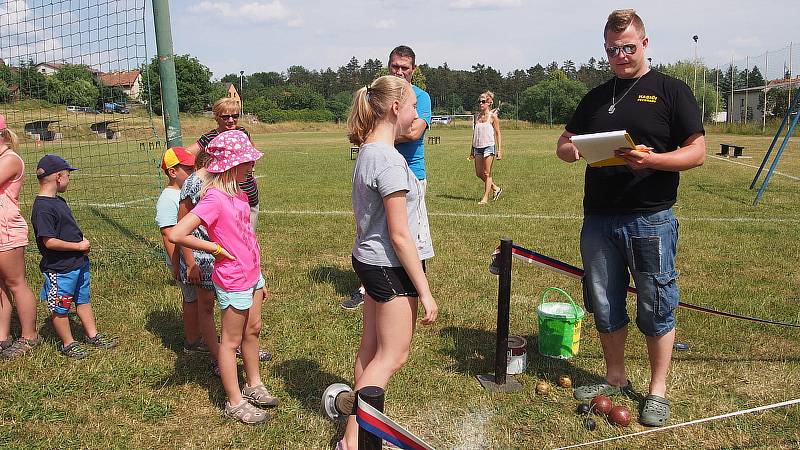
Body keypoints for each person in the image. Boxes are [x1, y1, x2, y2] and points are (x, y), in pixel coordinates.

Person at [556, 9, 705, 427]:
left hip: (650, 217)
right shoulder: (597, 96)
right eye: (611, 49)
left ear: (645, 43)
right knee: (603, 301)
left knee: (656, 303)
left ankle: (656, 391)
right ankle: (615, 377)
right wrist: (573, 150)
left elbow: (697, 151)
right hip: (599, 218)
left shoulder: (672, 91)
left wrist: (655, 160)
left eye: (627, 46)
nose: (620, 55)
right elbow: (564, 146)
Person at [335, 75, 438, 450]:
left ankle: (366, 430)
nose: (415, 113)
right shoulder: (390, 161)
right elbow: (399, 235)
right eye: (412, 105)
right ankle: (354, 439)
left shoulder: (368, 150)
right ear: (396, 108)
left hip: (369, 260)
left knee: (371, 349)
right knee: (392, 355)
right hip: (390, 267)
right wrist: (425, 293)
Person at [169, 130, 278, 425]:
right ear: (231, 165)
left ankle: (253, 384)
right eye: (247, 161)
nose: (252, 165)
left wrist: (260, 276)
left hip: (251, 276)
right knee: (230, 343)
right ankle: (234, 401)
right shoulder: (214, 198)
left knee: (253, 330)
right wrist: (215, 248)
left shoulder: (240, 193)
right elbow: (179, 233)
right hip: (232, 279)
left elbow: (247, 237)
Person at [342, 45, 433, 310]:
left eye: (405, 68)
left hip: (411, 172)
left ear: (413, 69)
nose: (400, 72)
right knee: (391, 232)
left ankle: (397, 280)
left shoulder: (420, 97)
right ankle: (399, 282)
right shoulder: (385, 158)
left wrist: (382, 130)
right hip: (389, 172)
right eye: (396, 67)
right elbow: (399, 237)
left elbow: (415, 132)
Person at [31, 154, 117, 359]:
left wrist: (81, 242)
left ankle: (92, 334)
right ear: (59, 176)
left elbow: (69, 229)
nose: (69, 179)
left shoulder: (58, 201)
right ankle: (68, 343)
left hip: (78, 264)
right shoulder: (42, 208)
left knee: (83, 300)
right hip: (59, 269)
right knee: (61, 306)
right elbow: (49, 241)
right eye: (68, 175)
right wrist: (78, 246)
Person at [155, 147, 208, 354]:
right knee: (191, 299)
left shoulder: (183, 192)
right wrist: (177, 265)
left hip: (191, 256)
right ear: (172, 172)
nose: (193, 170)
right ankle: (193, 341)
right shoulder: (168, 198)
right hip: (183, 260)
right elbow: (169, 234)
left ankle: (201, 335)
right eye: (187, 168)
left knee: (198, 299)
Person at [186, 97, 261, 233]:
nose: (231, 120)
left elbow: (252, 152)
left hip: (249, 195)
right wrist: (198, 174)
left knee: (248, 237)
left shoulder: (243, 132)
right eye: (226, 117)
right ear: (216, 117)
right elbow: (187, 154)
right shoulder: (209, 137)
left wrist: (251, 167)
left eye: (235, 116)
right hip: (225, 198)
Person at [0, 114, 41, 359]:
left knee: (16, 283)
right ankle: (2, 337)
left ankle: (29, 336)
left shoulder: (10, 159)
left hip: (6, 228)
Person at [469, 91, 503, 204]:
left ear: (489, 103)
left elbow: (498, 133)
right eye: (479, 101)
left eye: (483, 101)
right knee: (479, 173)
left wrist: (499, 150)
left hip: (489, 146)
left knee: (487, 173)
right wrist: (472, 149)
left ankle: (485, 198)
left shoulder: (493, 117)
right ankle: (496, 189)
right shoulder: (476, 117)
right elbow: (475, 134)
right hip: (477, 147)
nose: (480, 104)